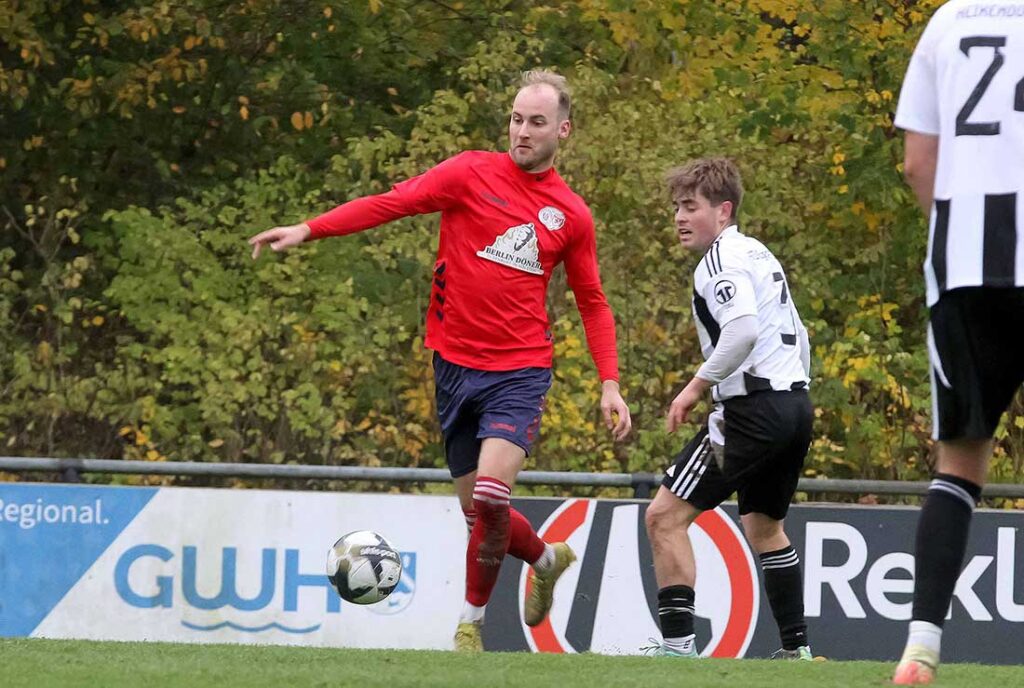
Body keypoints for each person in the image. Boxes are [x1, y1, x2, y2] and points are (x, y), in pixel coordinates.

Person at [248, 70, 632, 652]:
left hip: (521, 370)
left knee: (491, 499)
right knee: (480, 517)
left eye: (535, 122)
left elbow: (593, 301)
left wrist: (610, 383)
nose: (522, 131)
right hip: (453, 367)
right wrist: (310, 228)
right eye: (515, 118)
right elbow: (392, 203)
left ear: (563, 130)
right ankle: (547, 557)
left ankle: (469, 626)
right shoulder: (469, 172)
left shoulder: (570, 215)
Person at [892, 2, 1024, 683]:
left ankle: (921, 647)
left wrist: (953, 239)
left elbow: (918, 163)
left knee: (958, 465)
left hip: (964, 271)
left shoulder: (947, 21)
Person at [643, 158, 814, 660]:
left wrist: (695, 388)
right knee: (765, 527)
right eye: (676, 206)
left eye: (690, 206)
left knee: (664, 517)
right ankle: (796, 652)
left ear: (723, 211)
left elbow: (742, 330)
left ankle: (677, 649)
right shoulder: (758, 254)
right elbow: (798, 335)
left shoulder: (719, 261)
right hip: (794, 405)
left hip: (753, 412)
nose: (679, 217)